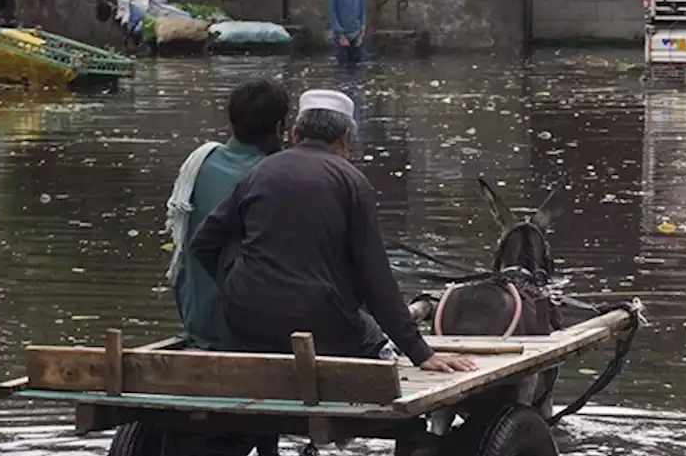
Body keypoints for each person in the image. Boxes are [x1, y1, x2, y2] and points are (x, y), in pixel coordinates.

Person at [190, 89, 475, 374]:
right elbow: (375, 277)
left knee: (238, 245)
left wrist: (236, 286)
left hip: (245, 323)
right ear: (344, 140)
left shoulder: (259, 172)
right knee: (371, 336)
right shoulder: (351, 180)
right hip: (320, 325)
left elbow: (203, 242)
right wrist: (419, 351)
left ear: (296, 134)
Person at [166, 78, 291, 349]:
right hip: (243, 331)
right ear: (280, 128)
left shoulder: (201, 162)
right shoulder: (277, 176)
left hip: (197, 319)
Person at [330, 0, 367, 66]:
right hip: (341, 36)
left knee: (359, 68)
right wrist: (341, 35)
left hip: (356, 35)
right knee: (343, 69)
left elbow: (362, 13)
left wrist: (361, 33)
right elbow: (333, 14)